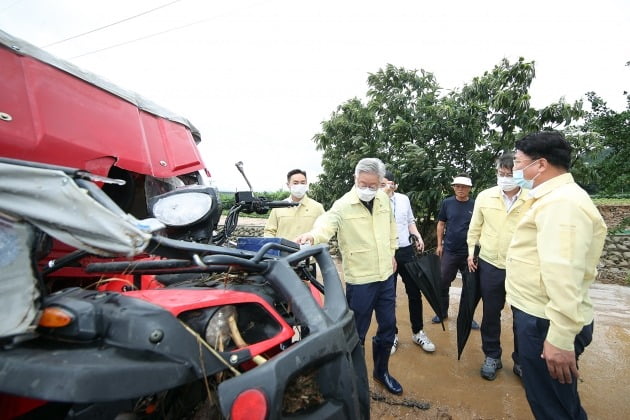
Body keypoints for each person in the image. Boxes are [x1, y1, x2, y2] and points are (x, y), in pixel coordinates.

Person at [506, 132, 606, 419]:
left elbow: (564, 273)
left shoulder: (562, 204)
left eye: (518, 162)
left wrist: (560, 337)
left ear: (540, 165)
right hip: (540, 317)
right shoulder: (552, 198)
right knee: (553, 402)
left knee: (554, 409)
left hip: (545, 322)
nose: (515, 168)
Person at [295, 158, 402, 395]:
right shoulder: (343, 205)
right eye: (363, 184)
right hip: (361, 279)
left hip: (385, 276)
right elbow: (326, 224)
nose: (368, 189)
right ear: (355, 179)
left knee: (388, 326)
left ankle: (381, 371)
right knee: (356, 332)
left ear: (380, 183)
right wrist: (312, 237)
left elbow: (392, 228)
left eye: (373, 185)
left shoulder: (384, 199)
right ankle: (354, 376)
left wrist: (392, 252)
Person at [466, 153, 532, 381]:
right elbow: (475, 228)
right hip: (490, 263)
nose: (504, 178)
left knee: (522, 316)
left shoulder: (532, 199)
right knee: (491, 312)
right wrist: (470, 254)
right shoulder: (485, 197)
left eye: (510, 174)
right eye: (501, 174)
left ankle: (522, 361)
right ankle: (492, 355)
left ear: (520, 175)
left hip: (521, 266)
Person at [381, 171, 435, 354]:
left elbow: (410, 221)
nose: (387, 187)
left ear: (395, 185)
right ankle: (392, 335)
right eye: (382, 184)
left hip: (405, 250)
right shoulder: (376, 201)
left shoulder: (404, 199)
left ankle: (418, 331)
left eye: (390, 184)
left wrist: (417, 235)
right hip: (386, 252)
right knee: (388, 296)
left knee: (414, 292)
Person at [433, 173, 478, 329]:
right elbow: (441, 224)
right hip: (450, 251)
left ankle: (466, 317)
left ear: (469, 188)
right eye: (457, 186)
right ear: (453, 187)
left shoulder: (475, 205)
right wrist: (440, 245)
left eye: (464, 186)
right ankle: (442, 312)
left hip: (469, 253)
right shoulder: (447, 203)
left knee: (469, 286)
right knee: (443, 282)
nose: (460, 189)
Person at [264, 169, 325, 240]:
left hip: (309, 250)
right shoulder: (278, 207)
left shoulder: (317, 207)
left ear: (306, 184)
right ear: (288, 185)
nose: (299, 186)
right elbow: (269, 231)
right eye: (295, 183)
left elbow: (324, 230)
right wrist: (274, 247)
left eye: (303, 183)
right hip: (283, 250)